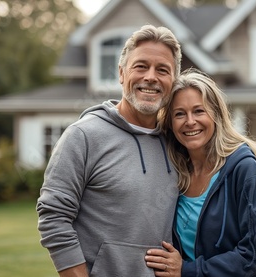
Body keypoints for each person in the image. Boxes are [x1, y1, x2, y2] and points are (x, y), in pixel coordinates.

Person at [36, 24, 182, 277]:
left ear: (173, 81)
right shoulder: (83, 136)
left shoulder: (178, 142)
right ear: (121, 73)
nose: (151, 77)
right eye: (141, 66)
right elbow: (53, 216)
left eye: (162, 70)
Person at [145, 68, 256, 276]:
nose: (190, 121)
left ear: (216, 115)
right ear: (170, 122)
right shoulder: (174, 170)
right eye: (180, 114)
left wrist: (188, 270)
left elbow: (255, 254)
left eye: (199, 111)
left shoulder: (243, 168)